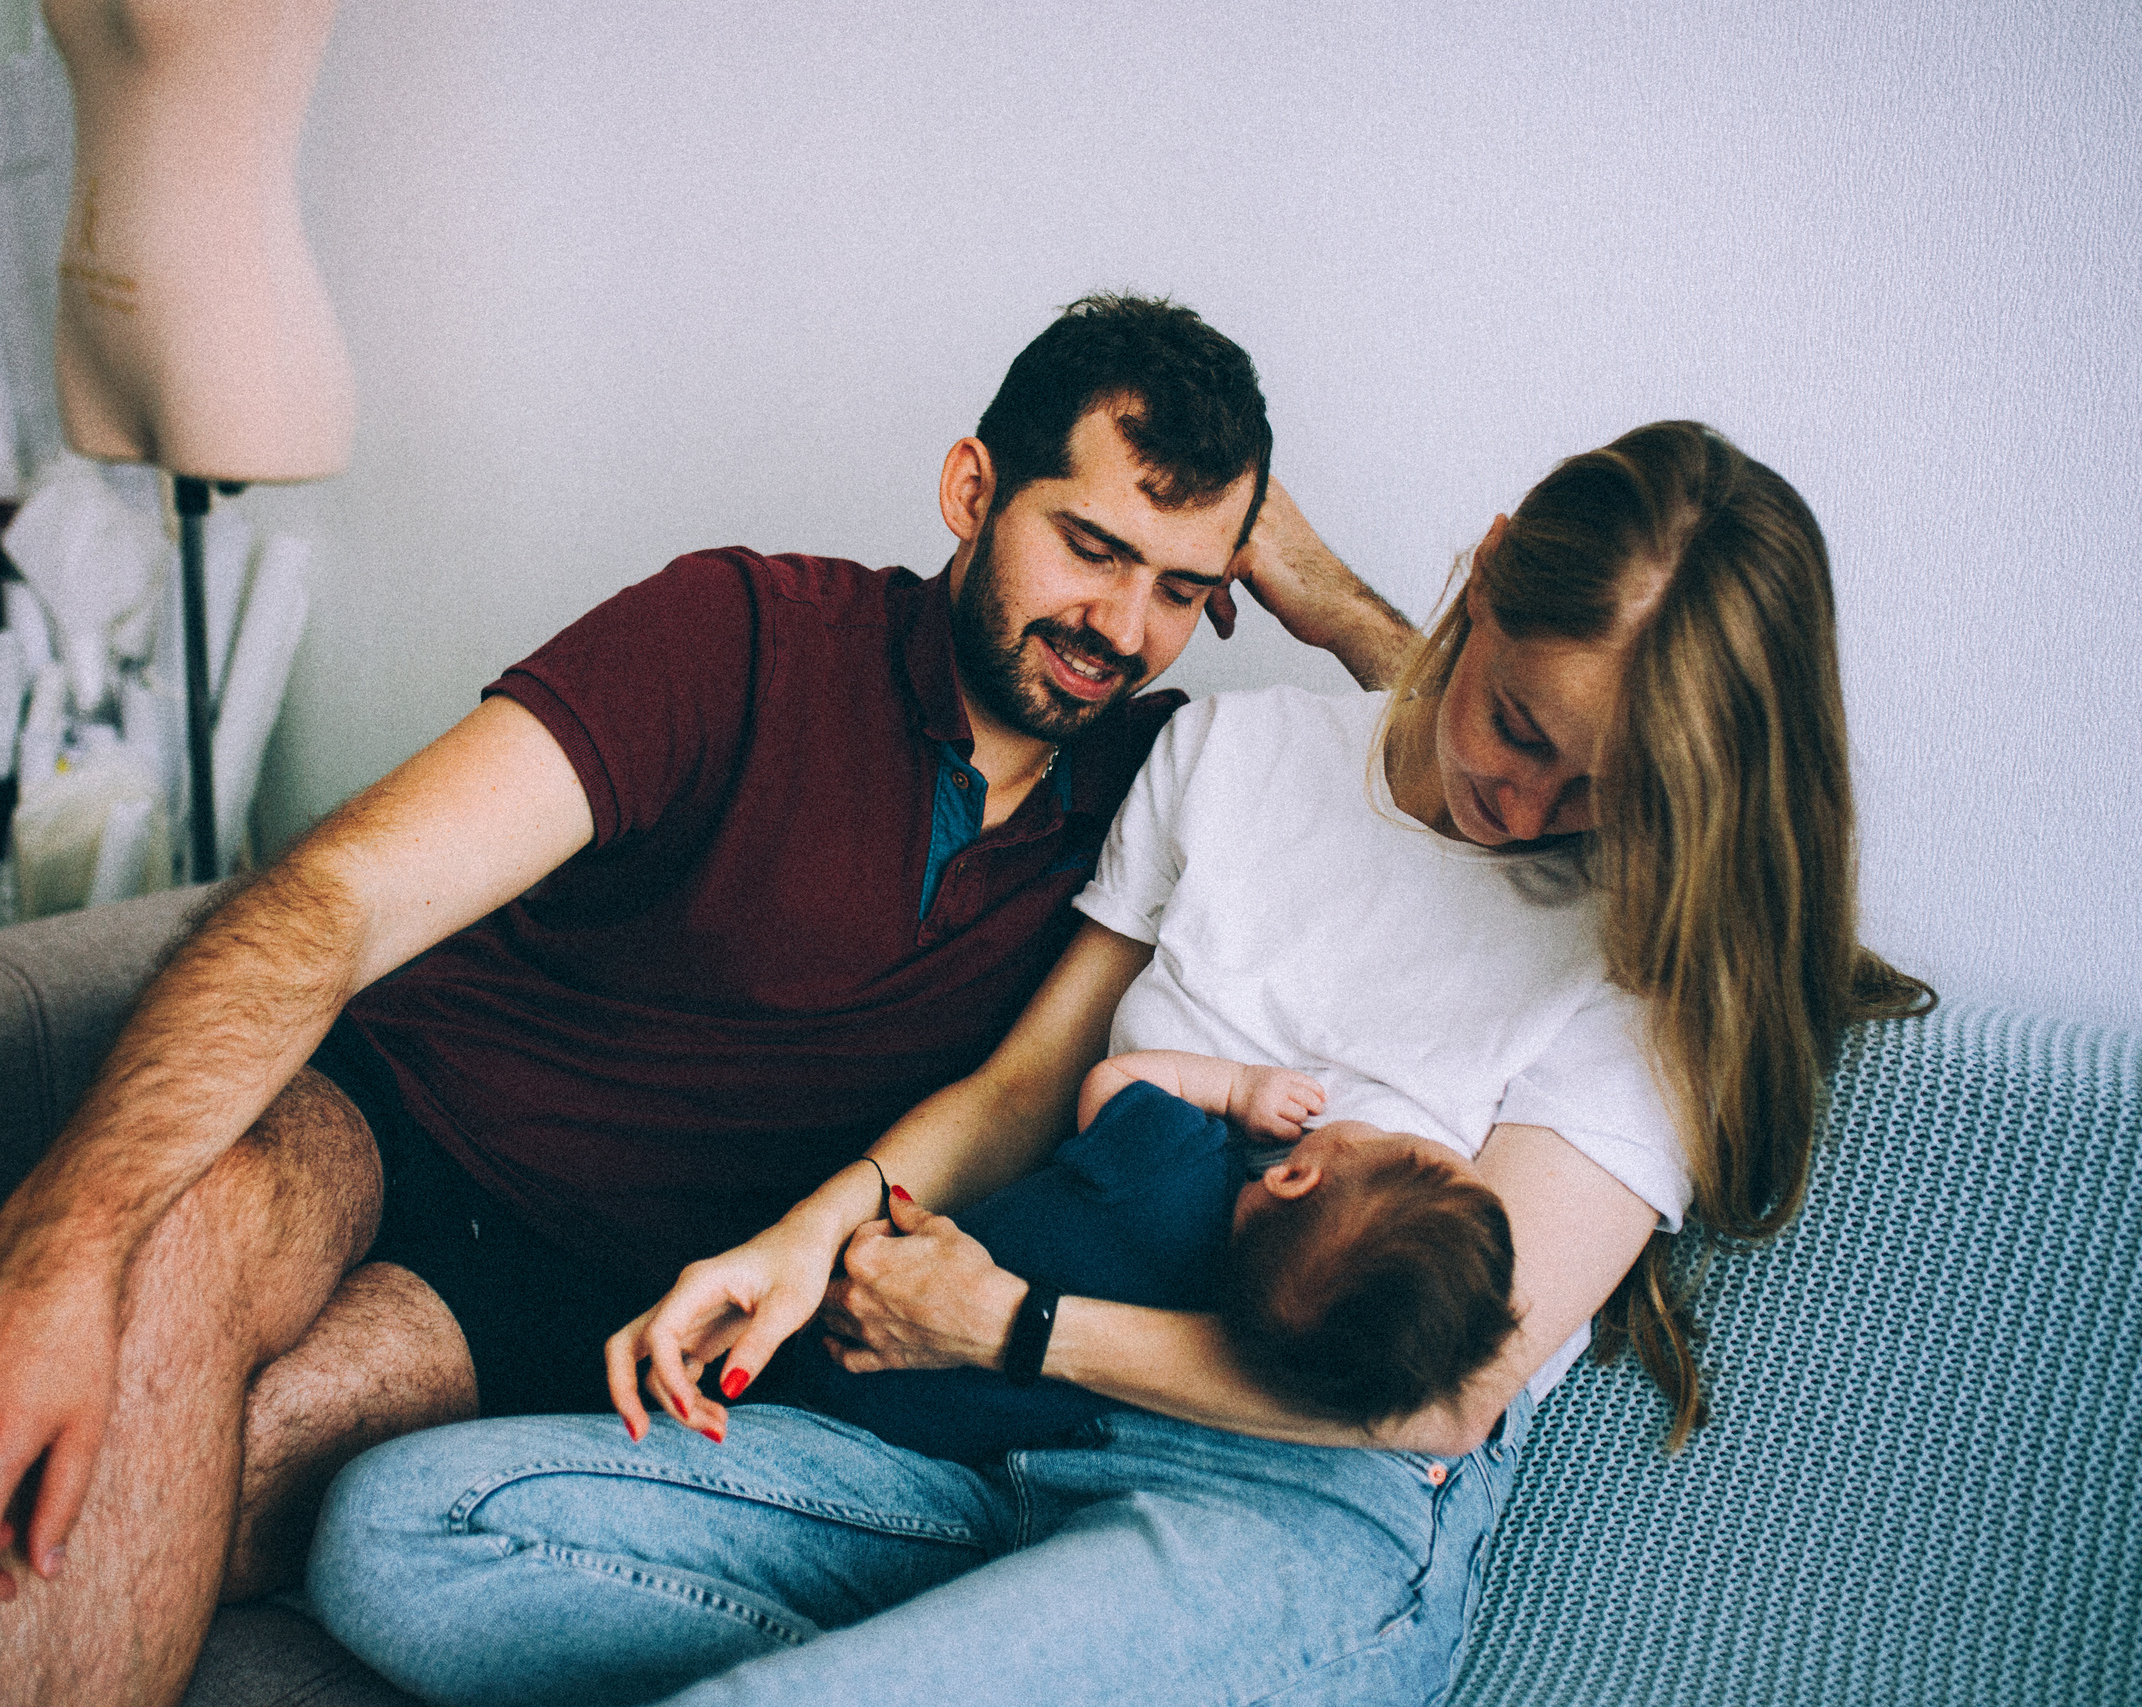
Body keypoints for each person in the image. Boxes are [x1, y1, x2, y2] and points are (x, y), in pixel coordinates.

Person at [0, 293, 1418, 1707]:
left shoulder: (1167, 792)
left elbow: (1501, 788)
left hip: (580, 1298)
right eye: (1090, 546)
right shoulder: (741, 633)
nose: (1121, 629)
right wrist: (48, 1259)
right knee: (171, 1249)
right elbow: (325, 904)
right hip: (399, 1115)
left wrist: (1329, 598)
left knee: (200, 1464)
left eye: (1179, 587)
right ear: (970, 489)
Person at [303, 420, 1936, 1707]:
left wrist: (1012, 1317)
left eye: (1603, 786)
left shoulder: (1653, 967)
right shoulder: (1241, 754)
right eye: (1515, 722)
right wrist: (805, 1243)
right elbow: (1025, 1089)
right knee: (396, 1535)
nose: (1526, 804)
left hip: (1281, 1497)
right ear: (1490, 569)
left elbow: (1443, 1386)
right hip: (976, 1437)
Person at [779, 1051, 1519, 1463]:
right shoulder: (1223, 1323)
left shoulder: (1175, 1158)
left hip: (855, 1317)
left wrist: (1235, 1087)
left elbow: (1108, 1082)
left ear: (1295, 1174)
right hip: (945, 1442)